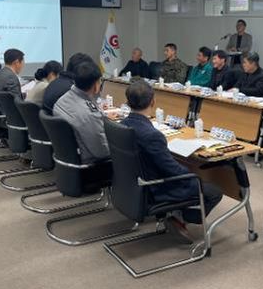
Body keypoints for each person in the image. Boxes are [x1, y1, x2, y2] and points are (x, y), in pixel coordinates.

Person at [121, 80, 223, 242]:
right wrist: (192, 174)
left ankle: (176, 214)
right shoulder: (152, 136)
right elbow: (172, 170)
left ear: (127, 102)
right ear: (153, 102)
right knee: (213, 191)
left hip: (133, 185)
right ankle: (179, 217)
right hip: (155, 189)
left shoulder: (122, 125)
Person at [53, 61, 110, 165]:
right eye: (100, 80)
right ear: (95, 84)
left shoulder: (61, 100)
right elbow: (102, 152)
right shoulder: (89, 114)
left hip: (68, 159)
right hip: (91, 164)